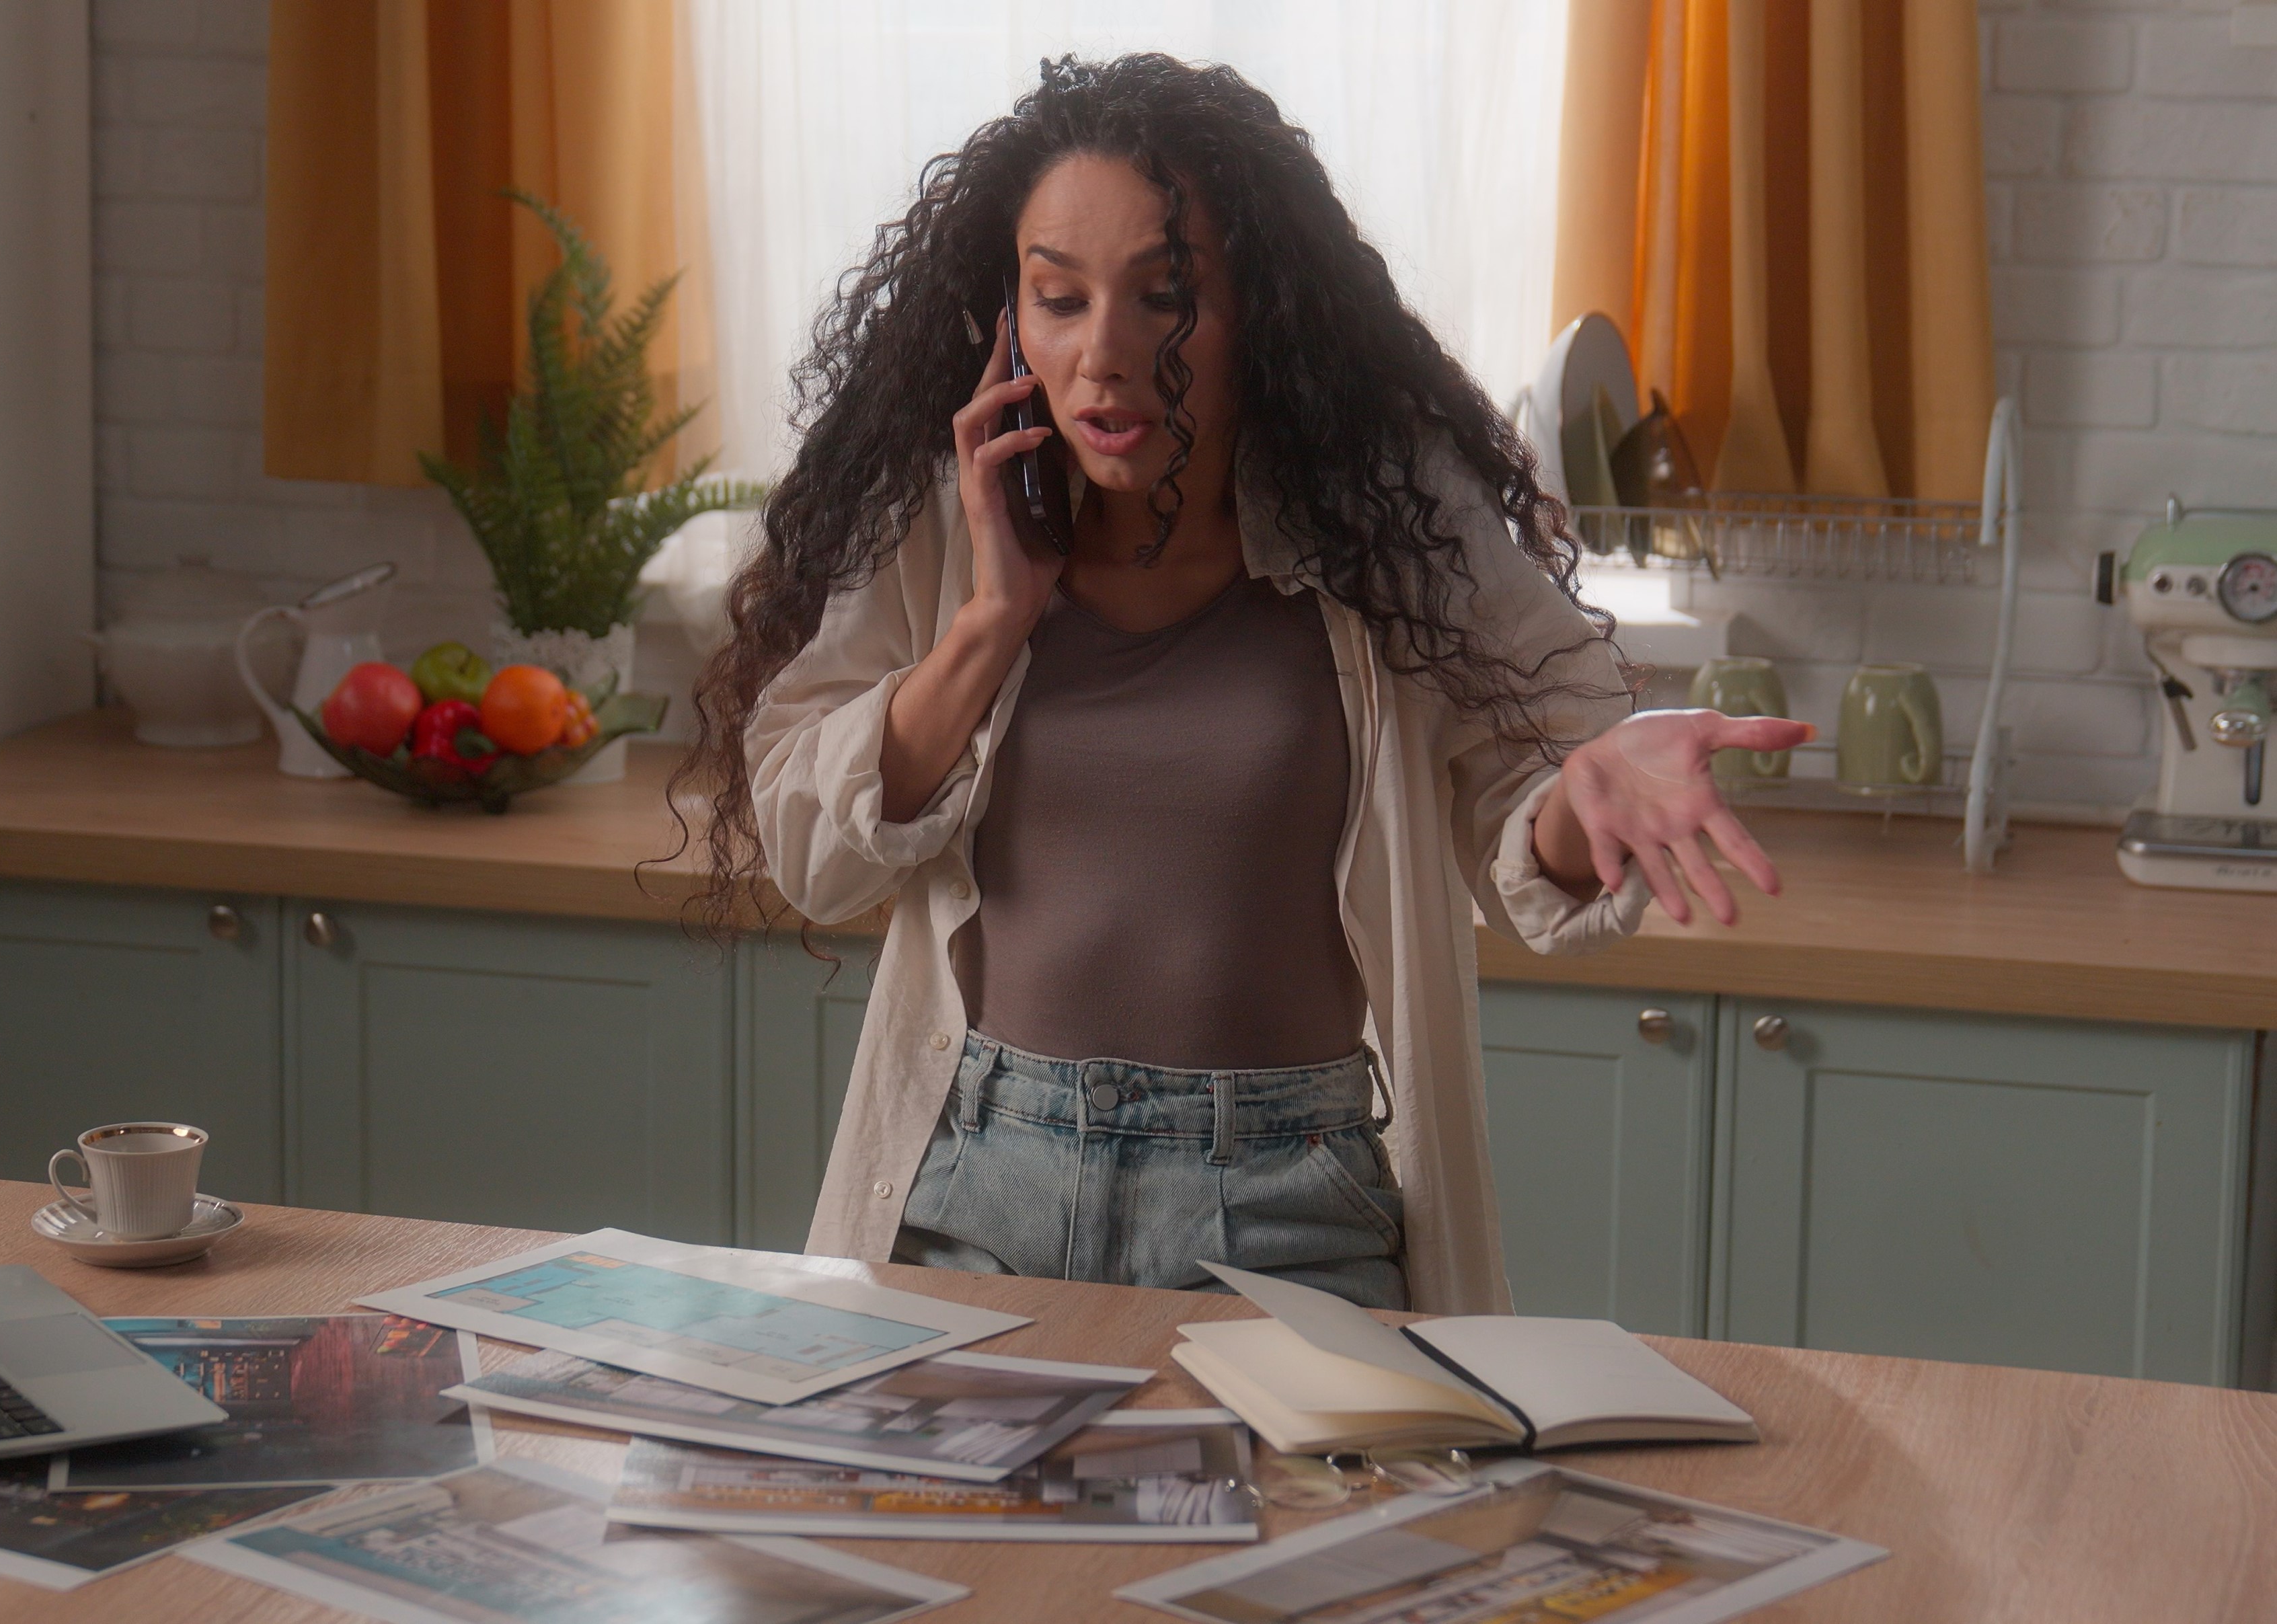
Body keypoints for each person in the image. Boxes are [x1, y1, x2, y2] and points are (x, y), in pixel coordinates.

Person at [676, 55, 1810, 1315]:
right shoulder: (948, 525)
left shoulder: (1388, 519)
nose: (1103, 354)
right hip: (970, 1186)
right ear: (1005, 323)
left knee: (1337, 1521)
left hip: (1281, 1198)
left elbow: (1529, 801)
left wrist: (1593, 783)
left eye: (1164, 296)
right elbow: (810, 854)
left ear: (1260, 308)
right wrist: (994, 619)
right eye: (1058, 298)